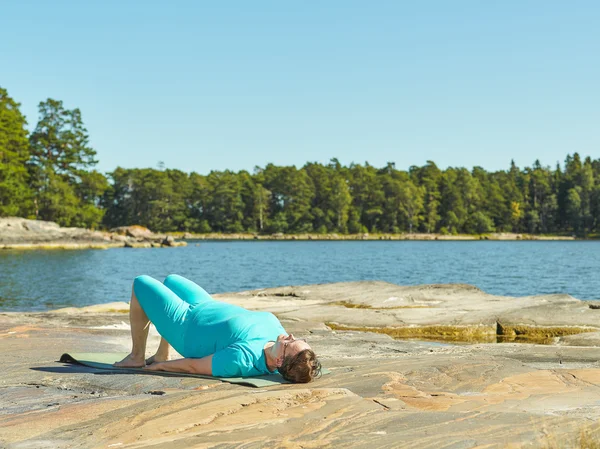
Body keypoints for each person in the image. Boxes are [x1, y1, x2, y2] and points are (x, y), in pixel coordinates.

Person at [114, 274, 321, 383]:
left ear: (279, 361)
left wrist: (159, 368)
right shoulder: (278, 338)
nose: (290, 336)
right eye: (296, 338)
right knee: (172, 279)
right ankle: (161, 353)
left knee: (140, 283)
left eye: (290, 344)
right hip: (205, 305)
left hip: (186, 326)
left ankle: (136, 356)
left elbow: (194, 366)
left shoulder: (242, 359)